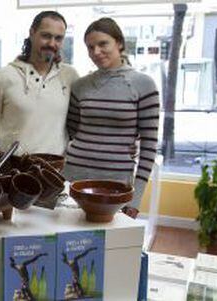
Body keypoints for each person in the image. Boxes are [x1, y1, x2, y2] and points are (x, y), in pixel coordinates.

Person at [64, 18, 159, 217]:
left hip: (116, 183)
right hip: (73, 177)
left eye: (102, 44)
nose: (96, 52)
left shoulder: (143, 84)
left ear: (120, 43)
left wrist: (137, 196)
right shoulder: (80, 85)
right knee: (70, 241)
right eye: (90, 47)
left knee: (112, 245)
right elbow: (71, 130)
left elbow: (149, 146)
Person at [0, 11, 79, 155]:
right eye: (46, 36)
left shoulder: (70, 76)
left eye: (58, 38)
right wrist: (9, 139)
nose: (52, 43)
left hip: (56, 169)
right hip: (14, 169)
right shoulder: (3, 77)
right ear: (32, 33)